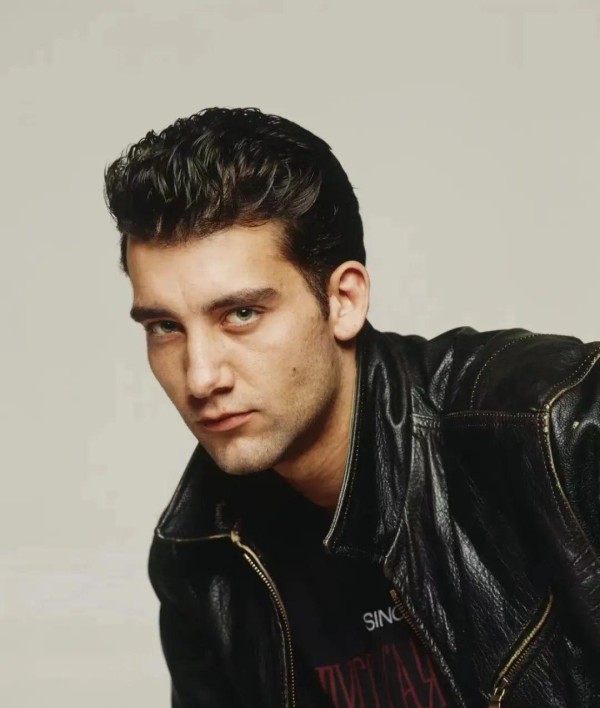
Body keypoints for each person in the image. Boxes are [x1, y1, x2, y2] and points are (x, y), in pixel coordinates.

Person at [104, 107, 600, 708]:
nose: (201, 376)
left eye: (241, 314)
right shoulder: (200, 556)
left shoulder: (554, 429)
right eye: (164, 327)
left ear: (344, 300)